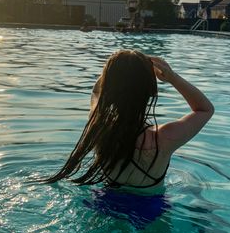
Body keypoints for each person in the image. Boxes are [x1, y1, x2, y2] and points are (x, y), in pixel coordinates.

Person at [43, 49, 214, 198]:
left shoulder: (99, 127)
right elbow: (205, 109)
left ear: (109, 86)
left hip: (105, 203)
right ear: (151, 91)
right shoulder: (164, 137)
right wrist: (172, 77)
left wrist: (116, 68)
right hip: (149, 212)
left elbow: (96, 91)